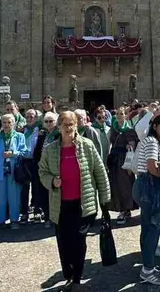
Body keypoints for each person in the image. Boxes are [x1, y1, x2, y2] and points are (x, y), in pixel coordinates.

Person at [38, 111, 111, 291]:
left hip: (83, 205)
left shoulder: (87, 146)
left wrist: (105, 201)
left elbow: (100, 174)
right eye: (65, 125)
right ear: (59, 127)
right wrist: (52, 182)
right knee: (64, 242)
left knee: (79, 242)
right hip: (60, 205)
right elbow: (42, 172)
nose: (69, 128)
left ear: (76, 125)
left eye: (72, 124)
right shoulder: (50, 149)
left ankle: (77, 279)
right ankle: (69, 273)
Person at [133, 114, 160, 286]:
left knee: (148, 226)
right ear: (154, 126)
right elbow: (152, 167)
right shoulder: (151, 141)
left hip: (147, 186)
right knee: (155, 226)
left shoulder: (156, 143)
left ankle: (147, 266)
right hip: (149, 186)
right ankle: (147, 270)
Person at [0, 113, 28, 230]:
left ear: (13, 123)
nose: (6, 125)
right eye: (4, 122)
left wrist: (13, 154)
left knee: (14, 197)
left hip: (14, 172)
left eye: (9, 122)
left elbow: (25, 153)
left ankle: (14, 220)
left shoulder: (20, 136)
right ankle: (0, 222)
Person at [107, 106, 138, 224]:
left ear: (125, 115)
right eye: (118, 114)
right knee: (115, 185)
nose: (119, 116)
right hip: (115, 160)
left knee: (125, 185)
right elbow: (109, 143)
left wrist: (130, 165)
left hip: (125, 160)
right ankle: (121, 208)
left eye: (122, 114)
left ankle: (126, 210)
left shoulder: (129, 129)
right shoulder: (113, 128)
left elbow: (132, 147)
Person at [34, 111, 60, 227]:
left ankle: (56, 217)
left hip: (55, 168)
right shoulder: (42, 135)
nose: (49, 123)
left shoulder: (59, 134)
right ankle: (48, 215)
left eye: (51, 121)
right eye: (46, 121)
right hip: (43, 167)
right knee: (43, 193)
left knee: (55, 193)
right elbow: (37, 151)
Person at [19, 109, 43, 223]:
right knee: (24, 188)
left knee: (36, 187)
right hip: (24, 161)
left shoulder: (40, 130)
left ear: (36, 118)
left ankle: (37, 211)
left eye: (31, 116)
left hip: (35, 161)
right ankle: (24, 212)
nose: (29, 119)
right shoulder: (22, 130)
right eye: (27, 117)